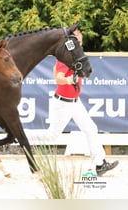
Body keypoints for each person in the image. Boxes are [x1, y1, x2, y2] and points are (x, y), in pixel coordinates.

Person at [31, 29, 118, 176]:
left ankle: (99, 164)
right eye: (78, 40)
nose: (81, 42)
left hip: (75, 103)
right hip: (63, 103)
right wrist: (70, 80)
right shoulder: (65, 58)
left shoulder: (76, 58)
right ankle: (20, 137)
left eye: (81, 39)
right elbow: (58, 78)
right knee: (52, 135)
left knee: (91, 128)